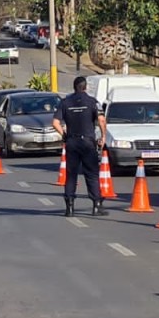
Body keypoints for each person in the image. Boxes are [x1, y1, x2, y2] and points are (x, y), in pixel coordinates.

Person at [53, 76, 108, 217]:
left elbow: (55, 123)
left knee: (71, 175)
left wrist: (64, 135)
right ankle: (96, 205)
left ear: (74, 87)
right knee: (92, 174)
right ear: (86, 87)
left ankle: (69, 207)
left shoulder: (65, 102)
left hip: (72, 142)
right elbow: (101, 120)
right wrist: (103, 137)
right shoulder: (92, 102)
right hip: (88, 143)